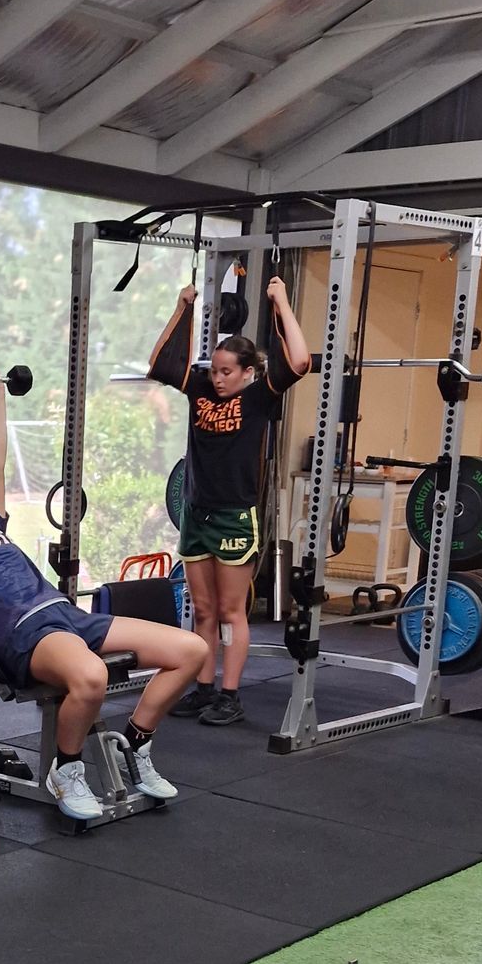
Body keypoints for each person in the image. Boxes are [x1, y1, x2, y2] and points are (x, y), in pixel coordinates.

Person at [0, 368, 208, 822]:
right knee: (91, 677)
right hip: (26, 634)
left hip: (68, 617)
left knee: (192, 649)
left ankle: (137, 742)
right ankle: (66, 770)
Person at [148, 276, 311, 726]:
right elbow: (161, 362)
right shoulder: (200, 389)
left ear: (247, 372)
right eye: (214, 370)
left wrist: (279, 301)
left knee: (229, 610)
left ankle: (230, 696)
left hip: (236, 516)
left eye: (226, 372)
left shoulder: (261, 397)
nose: (217, 379)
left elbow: (300, 360)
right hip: (196, 512)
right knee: (200, 610)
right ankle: (202, 690)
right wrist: (183, 307)